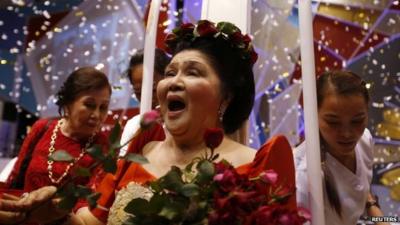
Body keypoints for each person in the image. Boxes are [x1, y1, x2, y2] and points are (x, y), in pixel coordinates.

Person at [21, 20, 297, 225]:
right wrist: (54, 216)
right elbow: (89, 222)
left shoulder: (258, 167)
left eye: (193, 72)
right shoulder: (136, 154)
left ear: (226, 97)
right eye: (170, 72)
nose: (174, 81)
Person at [294, 71, 387, 225]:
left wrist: (383, 219)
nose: (346, 134)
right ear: (313, 114)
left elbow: (366, 197)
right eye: (333, 122)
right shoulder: (303, 174)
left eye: (357, 120)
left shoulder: (365, 140)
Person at [4, 67, 111, 193]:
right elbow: (14, 179)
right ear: (68, 103)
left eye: (103, 107)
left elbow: (91, 202)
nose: (96, 115)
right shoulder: (42, 128)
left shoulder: (103, 146)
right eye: (89, 105)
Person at [119, 48, 170, 156]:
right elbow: (123, 167)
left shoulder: (183, 122)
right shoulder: (133, 126)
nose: (148, 98)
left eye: (153, 89)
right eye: (138, 92)